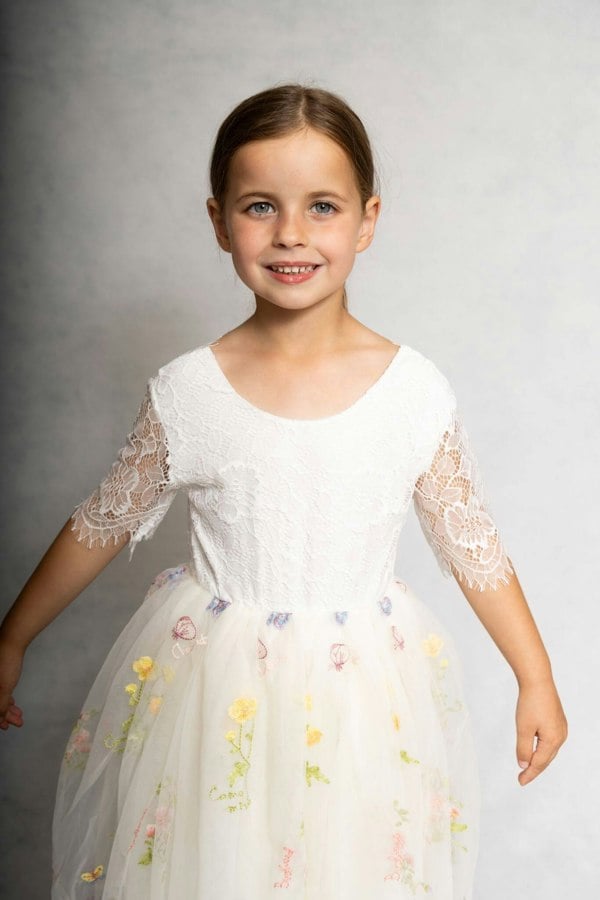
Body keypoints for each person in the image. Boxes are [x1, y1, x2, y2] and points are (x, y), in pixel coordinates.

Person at [0, 84, 567, 899]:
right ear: (218, 220)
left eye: (323, 207)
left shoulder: (412, 392)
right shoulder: (189, 391)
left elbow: (472, 544)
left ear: (368, 219)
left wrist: (535, 675)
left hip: (363, 701)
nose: (292, 233)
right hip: (214, 697)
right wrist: (13, 638)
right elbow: (101, 522)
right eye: (261, 206)